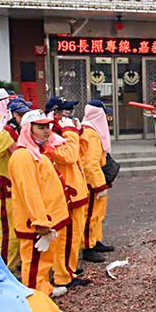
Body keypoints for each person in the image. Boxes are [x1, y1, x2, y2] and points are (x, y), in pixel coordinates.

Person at [9, 110, 70, 297]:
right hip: (36, 224)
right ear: (28, 129)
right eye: (40, 127)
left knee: (43, 262)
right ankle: (36, 303)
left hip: (47, 219)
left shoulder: (35, 153)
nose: (47, 131)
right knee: (34, 265)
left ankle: (45, 291)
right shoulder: (22, 157)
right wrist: (40, 222)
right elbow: (30, 192)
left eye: (47, 126)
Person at [47, 100, 93, 291]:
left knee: (74, 235)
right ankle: (63, 276)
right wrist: (70, 132)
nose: (69, 114)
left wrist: (78, 132)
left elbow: (81, 152)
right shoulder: (52, 135)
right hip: (67, 194)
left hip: (75, 190)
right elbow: (69, 156)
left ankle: (68, 268)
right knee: (67, 237)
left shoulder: (63, 133)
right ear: (55, 114)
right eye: (64, 111)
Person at [0, 96, 31, 272]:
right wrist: (10, 129)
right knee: (7, 233)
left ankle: (17, 263)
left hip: (22, 190)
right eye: (19, 115)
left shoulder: (24, 135)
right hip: (6, 192)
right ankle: (4, 269)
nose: (22, 118)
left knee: (22, 230)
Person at [81, 100, 114, 262]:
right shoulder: (91, 134)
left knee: (98, 213)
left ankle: (95, 240)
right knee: (91, 215)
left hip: (95, 179)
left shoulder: (90, 130)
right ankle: (88, 247)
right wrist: (99, 186)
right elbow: (90, 163)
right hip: (92, 182)